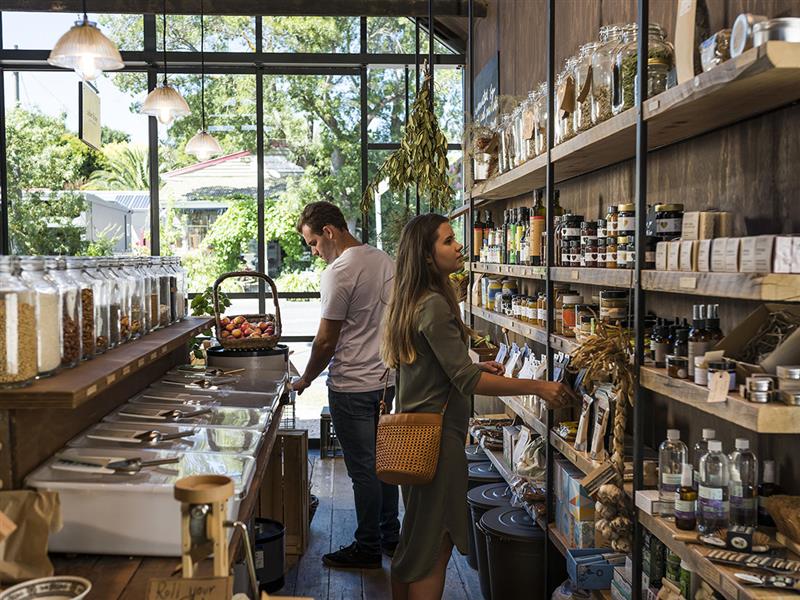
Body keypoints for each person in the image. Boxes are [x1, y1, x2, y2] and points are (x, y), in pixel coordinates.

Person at [381, 213, 579, 600]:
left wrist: (472, 366)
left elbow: (433, 369)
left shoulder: (412, 302)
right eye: (448, 240)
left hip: (415, 439)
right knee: (434, 549)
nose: (459, 246)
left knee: (414, 545)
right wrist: (538, 386)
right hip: (438, 443)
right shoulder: (435, 305)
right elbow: (468, 382)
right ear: (426, 255)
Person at [293, 201, 400, 569]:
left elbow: (326, 341)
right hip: (385, 383)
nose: (314, 251)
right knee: (383, 465)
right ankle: (390, 537)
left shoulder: (338, 272)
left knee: (363, 471)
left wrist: (306, 378)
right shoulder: (384, 260)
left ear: (329, 232)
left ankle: (367, 547)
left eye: (313, 243)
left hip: (351, 384)